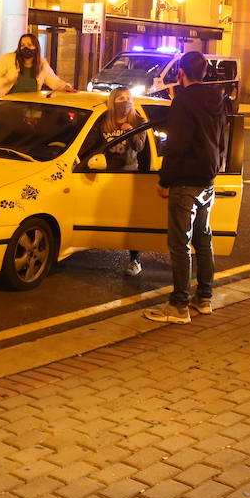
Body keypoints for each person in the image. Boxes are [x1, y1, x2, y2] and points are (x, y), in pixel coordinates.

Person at [143, 50, 226, 324]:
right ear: (204, 73)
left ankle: (178, 305)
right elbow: (220, 140)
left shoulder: (182, 102)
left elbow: (176, 146)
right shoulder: (218, 99)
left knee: (179, 244)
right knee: (203, 240)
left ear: (180, 74)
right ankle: (204, 298)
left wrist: (164, 180)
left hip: (186, 180)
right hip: (208, 179)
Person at [99, 88, 147, 277]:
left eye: (128, 98)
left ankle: (135, 259)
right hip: (105, 174)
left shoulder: (138, 121)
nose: (125, 101)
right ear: (113, 101)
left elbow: (139, 147)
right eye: (120, 98)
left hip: (128, 174)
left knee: (130, 219)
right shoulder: (104, 122)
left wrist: (132, 131)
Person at [0, 33, 74, 99]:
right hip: (1, 104)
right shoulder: (9, 59)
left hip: (26, 109)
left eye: (29, 45)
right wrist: (4, 81)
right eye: (22, 45)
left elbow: (54, 81)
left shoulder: (42, 64)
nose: (25, 48)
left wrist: (65, 87)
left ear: (36, 47)